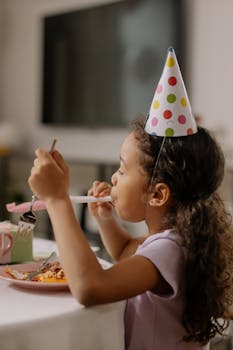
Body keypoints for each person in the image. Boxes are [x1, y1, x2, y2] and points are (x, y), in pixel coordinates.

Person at [28, 48, 233, 349]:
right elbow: (127, 251)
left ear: (158, 194)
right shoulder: (173, 242)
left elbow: (90, 287)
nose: (114, 178)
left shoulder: (170, 249)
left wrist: (58, 200)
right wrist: (105, 220)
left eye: (122, 170)